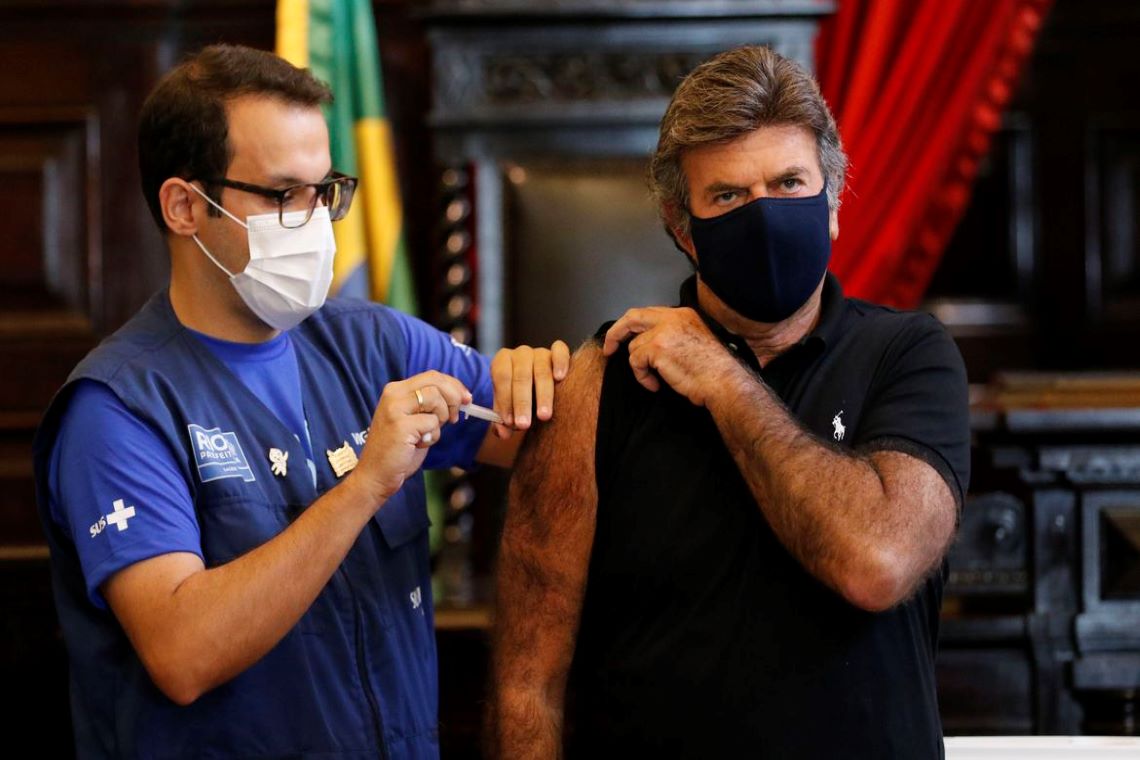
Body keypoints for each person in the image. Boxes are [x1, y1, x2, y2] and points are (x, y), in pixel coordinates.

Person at [32, 44, 568, 759]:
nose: (317, 222)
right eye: (284, 196)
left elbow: (547, 432)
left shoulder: (372, 343)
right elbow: (183, 652)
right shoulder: (119, 408)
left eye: (325, 191)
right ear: (185, 206)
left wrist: (568, 371)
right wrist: (365, 486)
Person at [490, 45, 970, 758]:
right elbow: (528, 684)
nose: (765, 215)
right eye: (728, 197)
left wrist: (723, 379)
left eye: (789, 183)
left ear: (832, 205)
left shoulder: (909, 356)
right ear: (682, 228)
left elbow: (878, 562)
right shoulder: (602, 379)